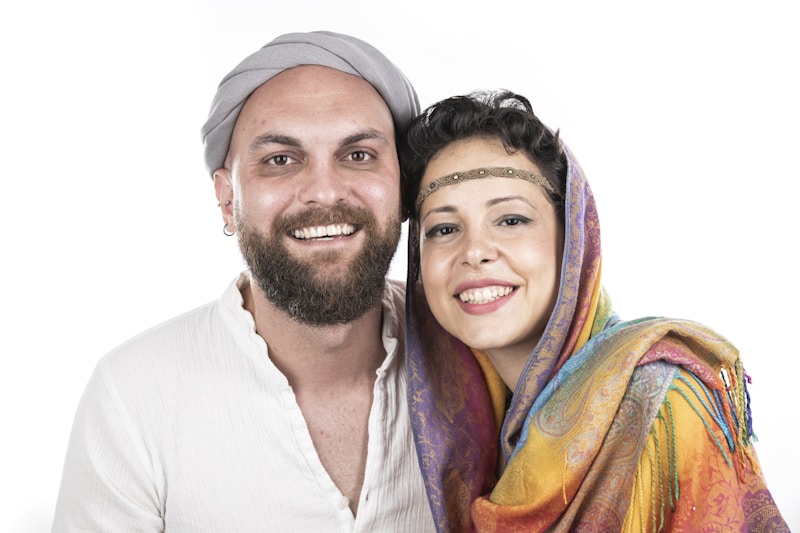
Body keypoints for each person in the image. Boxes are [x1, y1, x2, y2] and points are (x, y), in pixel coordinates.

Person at [52, 31, 436, 532]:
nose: (323, 191)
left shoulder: (481, 360)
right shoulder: (132, 398)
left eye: (359, 155)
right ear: (228, 199)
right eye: (280, 159)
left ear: (405, 187)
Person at [401, 91, 788, 532]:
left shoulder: (658, 409)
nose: (474, 252)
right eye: (444, 228)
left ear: (573, 241)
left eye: (510, 220)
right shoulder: (457, 427)